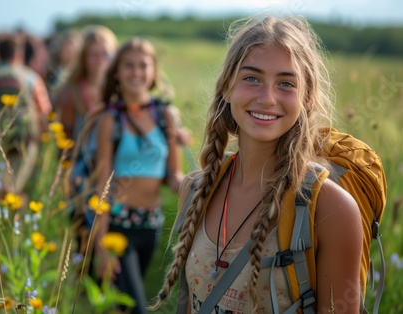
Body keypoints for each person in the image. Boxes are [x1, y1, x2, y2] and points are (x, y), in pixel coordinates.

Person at [150, 15, 363, 313]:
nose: (267, 98)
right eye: (251, 78)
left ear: (308, 100)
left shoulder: (331, 208)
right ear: (227, 87)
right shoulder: (196, 189)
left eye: (286, 83)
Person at [92, 37, 184, 314]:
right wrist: (101, 245)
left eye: (143, 65)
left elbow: (173, 175)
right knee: (134, 308)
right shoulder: (110, 120)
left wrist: (203, 191)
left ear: (153, 71)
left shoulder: (165, 114)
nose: (136, 72)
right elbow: (101, 183)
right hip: (118, 225)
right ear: (117, 72)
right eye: (128, 65)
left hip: (150, 224)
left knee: (124, 305)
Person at [0, 34, 52, 193]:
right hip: (23, 146)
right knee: (13, 192)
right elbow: (45, 115)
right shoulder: (32, 79)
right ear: (19, 54)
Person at [51, 25, 118, 142]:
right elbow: (64, 136)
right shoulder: (72, 91)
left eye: (106, 54)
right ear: (83, 57)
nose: (101, 60)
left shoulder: (119, 90)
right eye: (94, 55)